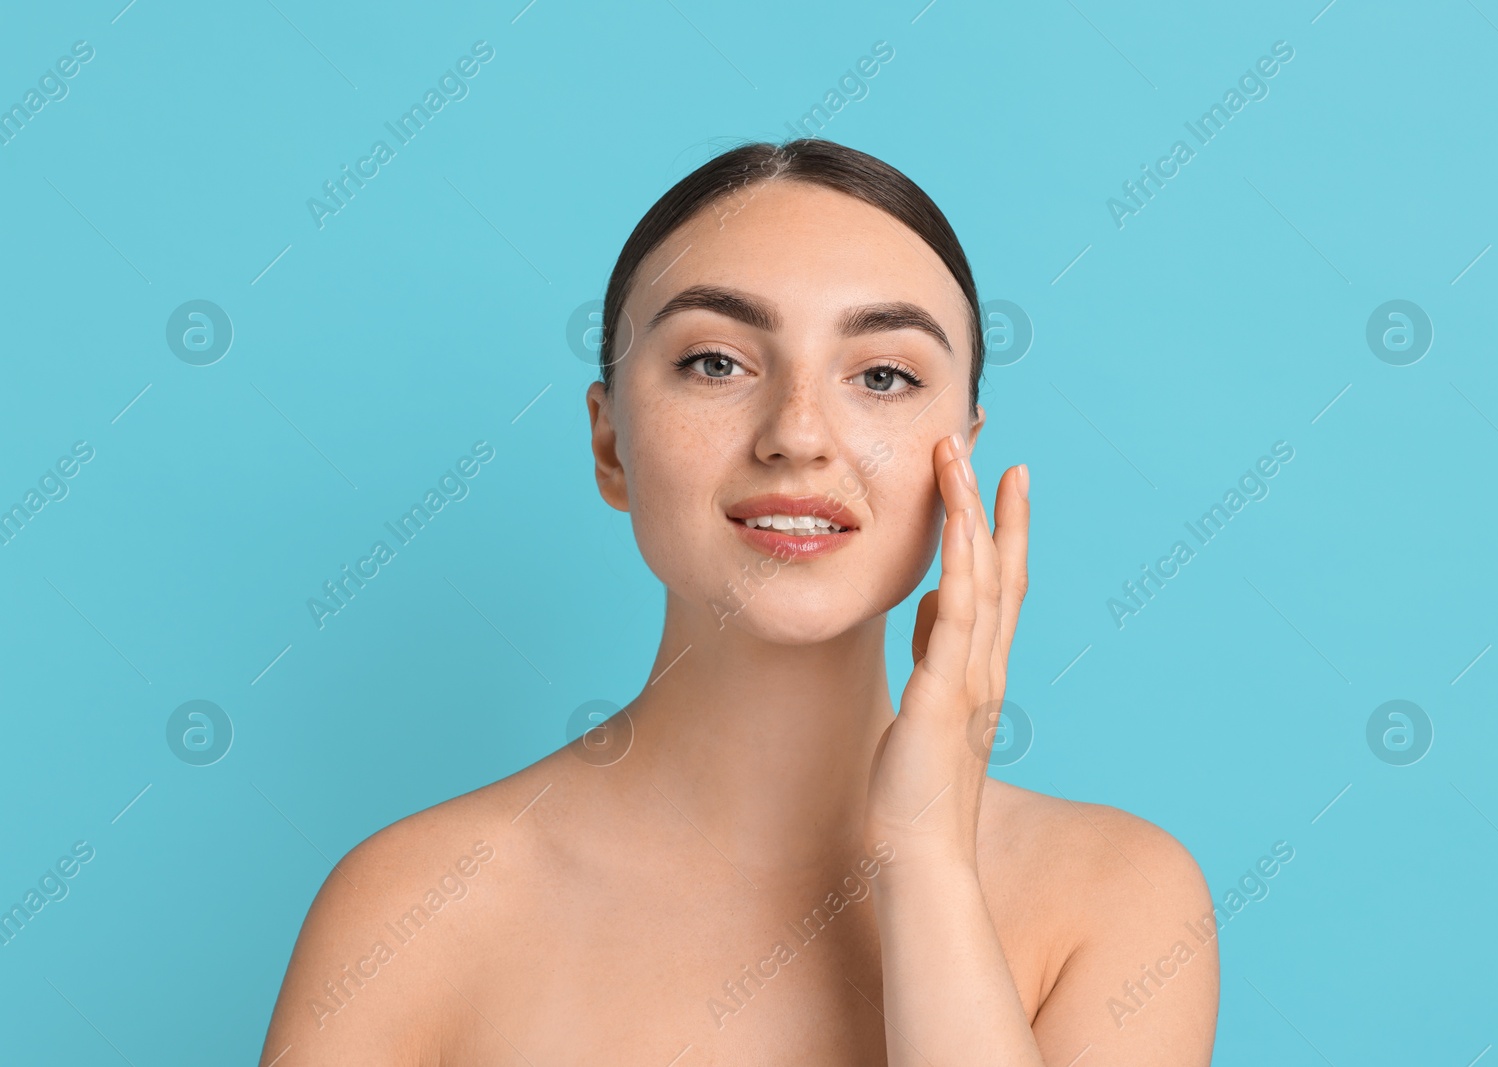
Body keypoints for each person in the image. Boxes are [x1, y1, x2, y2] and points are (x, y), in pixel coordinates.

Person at [259, 138, 1219, 1065]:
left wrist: (925, 859)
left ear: (959, 451)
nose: (798, 433)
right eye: (715, 362)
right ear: (609, 445)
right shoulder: (412, 908)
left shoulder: (1117, 899)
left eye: (883, 374)